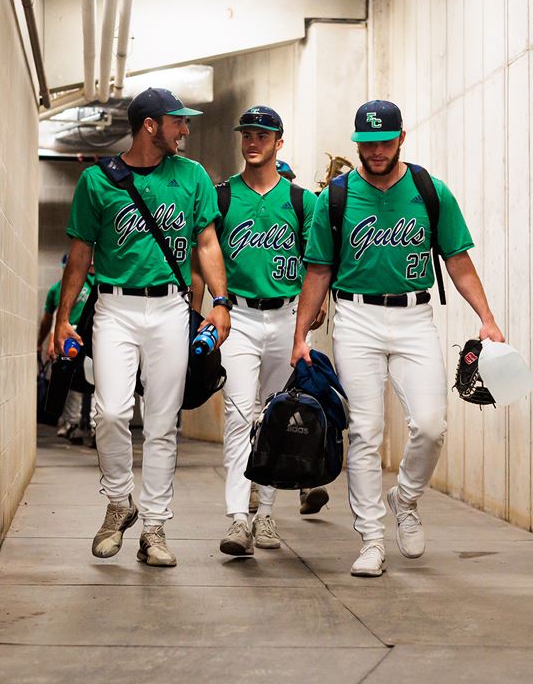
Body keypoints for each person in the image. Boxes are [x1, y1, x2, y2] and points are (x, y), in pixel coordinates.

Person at [291, 100, 504, 577]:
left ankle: (405, 499)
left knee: (430, 424)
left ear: (401, 137)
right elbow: (319, 270)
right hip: (355, 319)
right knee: (365, 432)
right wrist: (300, 334)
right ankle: (370, 539)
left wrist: (487, 318)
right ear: (358, 144)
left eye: (385, 142)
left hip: (414, 317)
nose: (377, 151)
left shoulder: (429, 191)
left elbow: (458, 259)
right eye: (368, 144)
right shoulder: (337, 197)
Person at [54, 87, 231, 568]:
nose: (186, 130)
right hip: (114, 308)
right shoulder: (97, 181)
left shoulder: (192, 177)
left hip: (171, 309)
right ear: (151, 125)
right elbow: (80, 255)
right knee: (110, 412)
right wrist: (63, 319)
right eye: (178, 122)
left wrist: (221, 302)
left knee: (161, 422)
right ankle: (118, 502)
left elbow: (208, 243)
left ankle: (153, 526)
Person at [191, 105, 327, 558]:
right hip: (240, 318)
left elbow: (316, 265)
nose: (253, 141)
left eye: (262, 135)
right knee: (238, 415)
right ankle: (237, 518)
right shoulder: (223, 195)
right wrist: (210, 305)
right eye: (247, 134)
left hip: (286, 316)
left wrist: (310, 315)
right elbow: (204, 254)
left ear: (278, 142)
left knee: (273, 417)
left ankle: (266, 512)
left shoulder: (301, 200)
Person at [38, 254, 95, 442]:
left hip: (95, 333)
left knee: (98, 380)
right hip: (71, 334)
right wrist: (49, 341)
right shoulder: (58, 289)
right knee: (72, 380)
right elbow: (53, 317)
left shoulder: (98, 282)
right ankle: (73, 423)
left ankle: (96, 426)